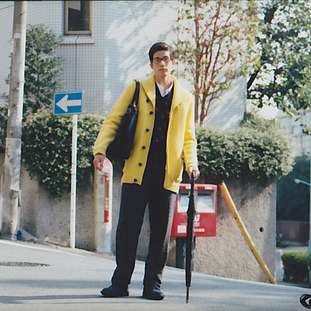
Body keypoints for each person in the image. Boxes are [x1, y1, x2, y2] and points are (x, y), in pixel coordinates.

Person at [93, 42, 199, 300]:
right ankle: (120, 283)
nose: (162, 63)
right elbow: (114, 119)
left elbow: (188, 138)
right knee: (128, 229)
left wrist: (191, 164)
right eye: (157, 59)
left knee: (160, 233)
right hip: (136, 171)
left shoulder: (186, 98)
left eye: (166, 59)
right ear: (151, 64)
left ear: (173, 63)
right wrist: (100, 150)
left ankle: (153, 284)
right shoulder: (137, 88)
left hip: (168, 174)